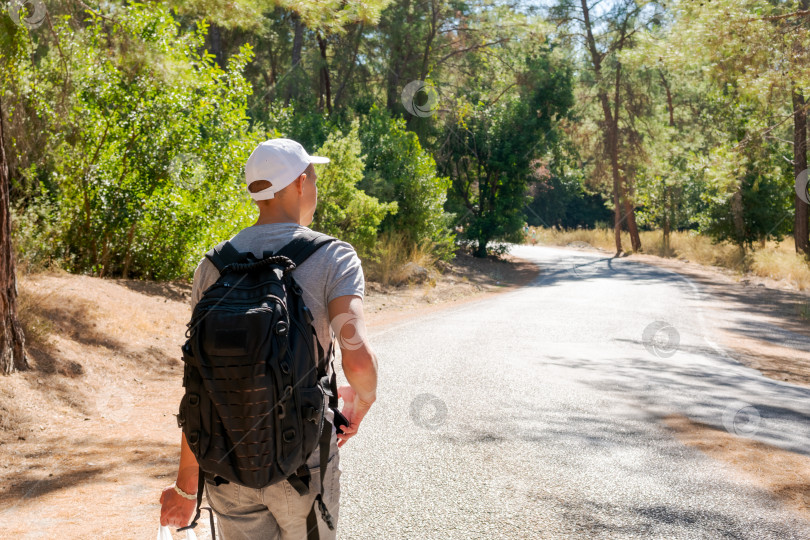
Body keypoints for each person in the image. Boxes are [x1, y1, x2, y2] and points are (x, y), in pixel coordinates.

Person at [159, 138, 379, 539]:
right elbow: (358, 359)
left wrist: (186, 483)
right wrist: (362, 401)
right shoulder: (333, 257)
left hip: (225, 465)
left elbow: (199, 384)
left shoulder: (213, 265)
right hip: (304, 461)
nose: (314, 187)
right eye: (313, 177)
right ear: (299, 183)